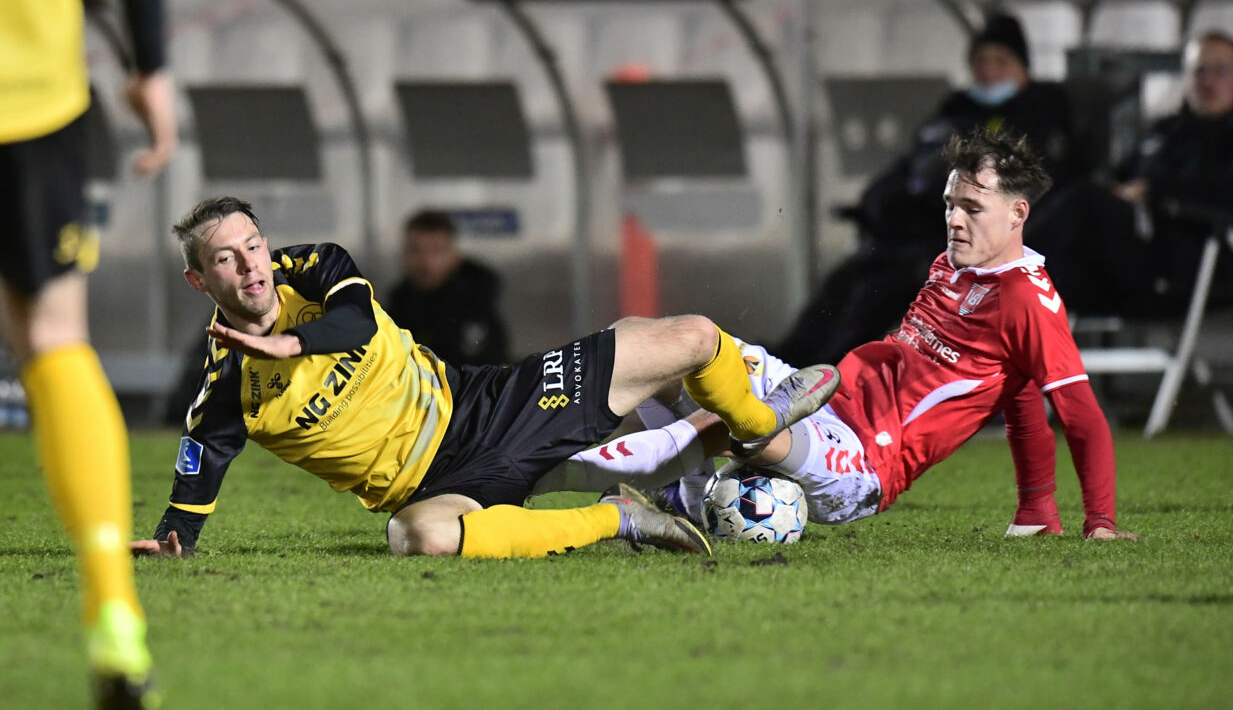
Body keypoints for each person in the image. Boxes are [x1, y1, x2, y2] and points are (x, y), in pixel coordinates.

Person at [131, 197, 842, 561]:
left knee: (689, 336)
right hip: (438, 487)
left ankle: (756, 423)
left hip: (489, 406)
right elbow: (201, 463)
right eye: (226, 259)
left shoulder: (314, 269)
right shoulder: (227, 382)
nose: (251, 264)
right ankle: (622, 520)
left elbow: (353, 323)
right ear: (200, 280)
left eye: (253, 244)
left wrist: (295, 342)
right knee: (416, 540)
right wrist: (174, 537)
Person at [535, 129, 1138, 541]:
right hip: (822, 397)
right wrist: (1036, 513)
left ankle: (533, 474)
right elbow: (1019, 394)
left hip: (863, 460)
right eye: (951, 202)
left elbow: (1076, 412)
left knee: (727, 423)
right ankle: (682, 497)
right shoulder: (953, 263)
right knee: (648, 339)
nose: (954, 217)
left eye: (972, 207)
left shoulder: (1025, 300)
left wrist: (1100, 521)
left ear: (1018, 213)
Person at [0, 0, 177, 707]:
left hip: (34, 95)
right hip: (28, 92)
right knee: (54, 339)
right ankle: (112, 604)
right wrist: (152, 64)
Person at [775, 13, 1080, 367]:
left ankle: (827, 371)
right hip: (912, 234)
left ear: (1023, 66)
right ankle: (788, 361)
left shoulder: (1039, 112)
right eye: (981, 61)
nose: (989, 71)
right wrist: (878, 203)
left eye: (1001, 61)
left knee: (883, 286)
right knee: (847, 278)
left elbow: (1030, 182)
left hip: (964, 243)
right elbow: (904, 168)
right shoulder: (956, 111)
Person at [1026, 29, 1233, 318]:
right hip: (1134, 258)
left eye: (1221, 70)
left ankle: (990, 274)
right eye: (1199, 71)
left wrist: (1153, 189)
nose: (1208, 81)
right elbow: (1117, 173)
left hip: (1193, 262)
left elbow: (1228, 190)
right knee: (1061, 267)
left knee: (1082, 202)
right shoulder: (1165, 132)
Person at [385, 209, 509, 365]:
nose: (425, 262)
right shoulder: (398, 304)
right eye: (415, 250)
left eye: (436, 251)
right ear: (403, 255)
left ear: (454, 256)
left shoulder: (475, 306)